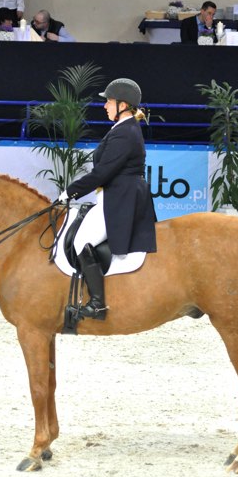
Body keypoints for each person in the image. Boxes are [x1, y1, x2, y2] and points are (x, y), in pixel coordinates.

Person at [57, 79, 157, 320]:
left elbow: (102, 173)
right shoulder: (124, 128)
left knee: (82, 241)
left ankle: (98, 304)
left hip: (121, 199)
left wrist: (70, 192)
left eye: (109, 101)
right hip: (116, 195)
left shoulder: (125, 132)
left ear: (123, 105)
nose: (105, 106)